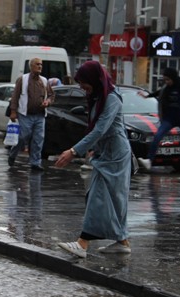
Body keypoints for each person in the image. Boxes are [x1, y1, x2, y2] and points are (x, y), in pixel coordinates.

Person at [54, 61, 132, 258]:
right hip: (106, 153)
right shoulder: (99, 97)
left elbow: (100, 129)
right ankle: (122, 241)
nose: (82, 88)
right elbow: (99, 131)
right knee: (114, 200)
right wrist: (94, 149)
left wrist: (74, 151)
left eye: (83, 83)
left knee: (98, 196)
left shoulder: (112, 99)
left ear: (94, 80)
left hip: (116, 156)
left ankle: (82, 243)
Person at [136, 67, 180, 170]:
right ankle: (149, 160)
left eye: (168, 80)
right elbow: (159, 93)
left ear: (173, 78)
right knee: (158, 135)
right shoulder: (166, 88)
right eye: (165, 80)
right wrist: (147, 96)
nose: (166, 82)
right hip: (170, 119)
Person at [7, 58, 55, 171]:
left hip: (40, 115)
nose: (40, 66)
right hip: (25, 114)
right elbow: (15, 96)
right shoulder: (22, 79)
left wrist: (47, 102)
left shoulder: (44, 80)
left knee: (38, 139)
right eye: (37, 64)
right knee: (23, 137)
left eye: (41, 65)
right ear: (31, 66)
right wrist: (13, 111)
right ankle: (13, 154)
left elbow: (52, 95)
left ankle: (35, 162)